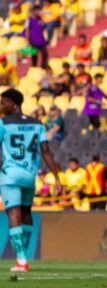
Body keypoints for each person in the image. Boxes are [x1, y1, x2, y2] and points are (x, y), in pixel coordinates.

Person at [0, 89, 62, 272]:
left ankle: (21, 260)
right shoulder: (37, 124)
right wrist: (56, 177)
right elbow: (46, 151)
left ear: (13, 104)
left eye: (3, 102)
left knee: (13, 213)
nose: (1, 106)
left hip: (10, 174)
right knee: (26, 213)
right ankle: (23, 257)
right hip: (29, 175)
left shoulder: (3, 123)